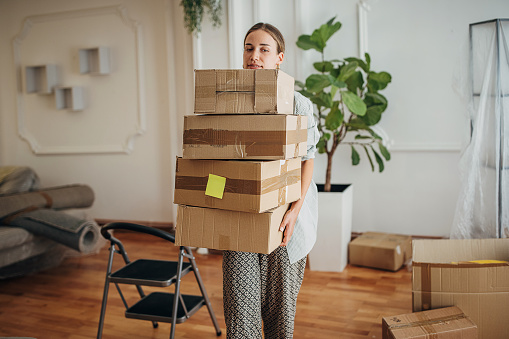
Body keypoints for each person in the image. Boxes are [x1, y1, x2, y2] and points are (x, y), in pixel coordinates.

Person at [222, 22, 320, 339]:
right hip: (241, 217)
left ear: (279, 58)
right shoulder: (227, 103)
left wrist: (293, 212)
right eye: (249, 48)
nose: (255, 56)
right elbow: (215, 162)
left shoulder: (298, 103)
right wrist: (212, 202)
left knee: (280, 316)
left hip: (285, 218)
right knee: (241, 311)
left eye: (265, 49)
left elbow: (308, 160)